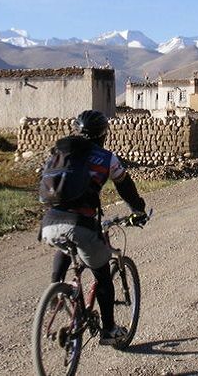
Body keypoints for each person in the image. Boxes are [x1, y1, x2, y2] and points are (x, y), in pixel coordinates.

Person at [39, 110, 148, 345]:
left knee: (69, 247)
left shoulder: (58, 153)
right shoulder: (106, 158)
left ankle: (56, 288)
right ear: (103, 134)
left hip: (49, 224)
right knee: (102, 275)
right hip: (81, 224)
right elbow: (125, 187)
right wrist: (138, 210)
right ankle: (109, 330)